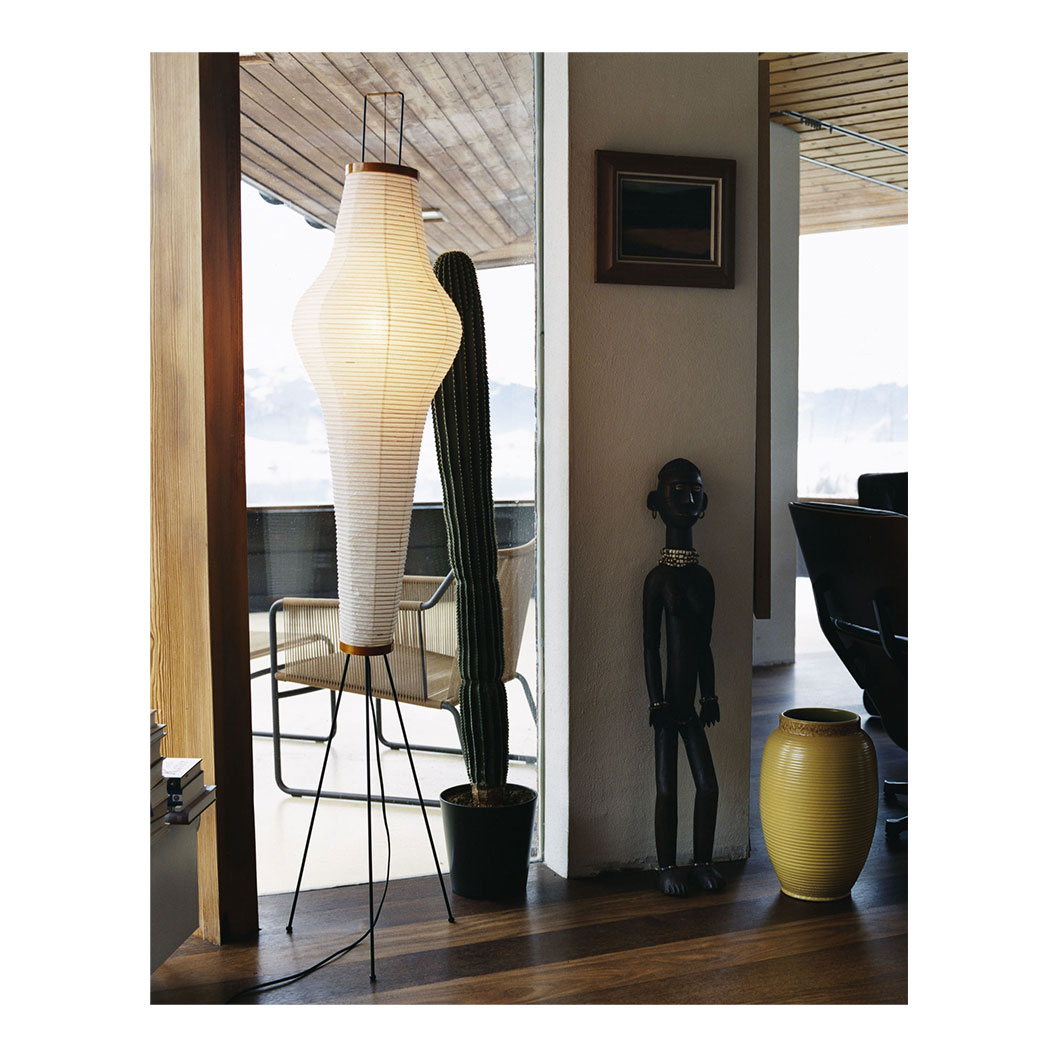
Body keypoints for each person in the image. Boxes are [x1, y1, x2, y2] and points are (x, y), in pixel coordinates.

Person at [643, 458, 725, 896]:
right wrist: (655, 701)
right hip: (666, 709)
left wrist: (709, 695)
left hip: (690, 707)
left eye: (694, 491)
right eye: (676, 491)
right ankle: (667, 866)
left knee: (707, 786)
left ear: (705, 503)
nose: (688, 499)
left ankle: (703, 861)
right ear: (655, 503)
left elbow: (704, 644)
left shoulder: (704, 579)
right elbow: (649, 645)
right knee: (666, 791)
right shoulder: (657, 580)